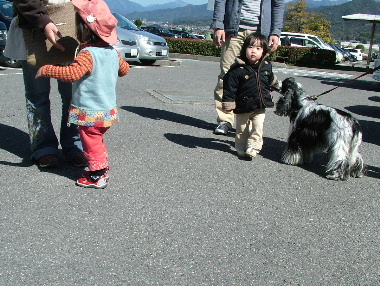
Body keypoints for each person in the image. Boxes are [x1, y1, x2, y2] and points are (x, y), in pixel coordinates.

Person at [36, 0, 130, 188]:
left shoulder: (87, 54)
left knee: (91, 142)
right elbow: (125, 69)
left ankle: (98, 174)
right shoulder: (113, 52)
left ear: (84, 31)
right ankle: (101, 167)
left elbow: (72, 74)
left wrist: (47, 69)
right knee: (97, 140)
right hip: (107, 111)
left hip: (90, 112)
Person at [11, 0, 85, 168]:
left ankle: (75, 145)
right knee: (37, 95)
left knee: (73, 95)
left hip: (70, 21)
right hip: (33, 25)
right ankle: (43, 147)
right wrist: (41, 19)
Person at [210, 0, 284, 135]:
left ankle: (251, 121)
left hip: (261, 32)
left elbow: (278, 4)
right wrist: (218, 25)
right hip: (233, 30)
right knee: (227, 77)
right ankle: (225, 120)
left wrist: (276, 32)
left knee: (257, 79)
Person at [222, 32, 280, 158]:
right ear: (244, 49)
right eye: (250, 47)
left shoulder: (266, 66)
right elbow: (229, 87)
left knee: (258, 127)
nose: (254, 51)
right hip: (243, 105)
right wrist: (229, 102)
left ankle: (254, 147)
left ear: (263, 51)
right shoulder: (237, 69)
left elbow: (270, 79)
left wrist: (278, 86)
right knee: (242, 129)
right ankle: (241, 147)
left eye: (258, 48)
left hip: (260, 104)